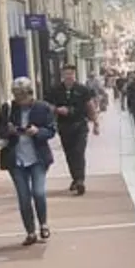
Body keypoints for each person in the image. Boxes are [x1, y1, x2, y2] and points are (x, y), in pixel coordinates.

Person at [0, 77, 58, 245]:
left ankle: (43, 224)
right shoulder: (8, 108)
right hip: (16, 159)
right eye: (17, 96)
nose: (20, 100)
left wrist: (37, 131)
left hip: (37, 158)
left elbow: (51, 131)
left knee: (38, 192)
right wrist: (9, 131)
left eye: (23, 96)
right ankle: (30, 232)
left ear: (31, 94)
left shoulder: (42, 107)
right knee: (24, 197)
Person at [47, 63, 97, 195]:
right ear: (62, 75)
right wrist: (57, 110)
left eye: (71, 74)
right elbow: (48, 106)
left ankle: (80, 180)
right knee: (69, 154)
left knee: (79, 151)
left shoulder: (82, 89)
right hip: (64, 126)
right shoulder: (55, 90)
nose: (69, 77)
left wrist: (96, 123)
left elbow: (90, 106)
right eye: (66, 74)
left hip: (79, 125)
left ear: (74, 75)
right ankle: (75, 178)